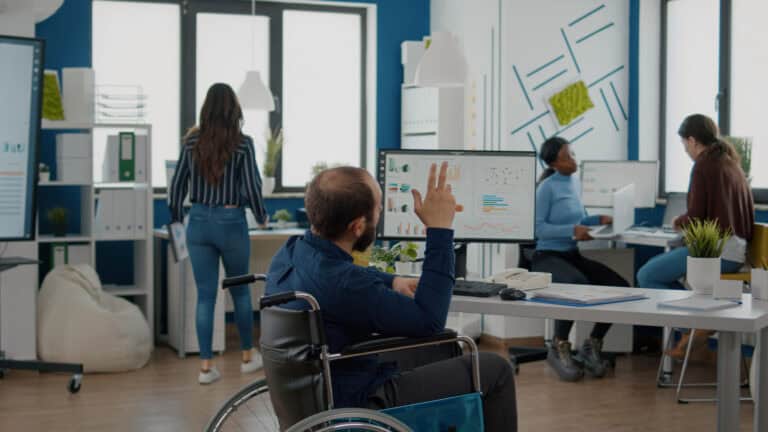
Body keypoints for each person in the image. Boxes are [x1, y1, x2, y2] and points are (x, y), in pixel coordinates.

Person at [265, 163, 517, 431]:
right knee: (495, 369)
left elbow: (341, 274)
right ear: (358, 226)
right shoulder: (347, 284)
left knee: (441, 346)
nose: (381, 212)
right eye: (379, 208)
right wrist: (440, 230)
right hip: (358, 402)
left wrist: (392, 280)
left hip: (319, 388)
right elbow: (430, 320)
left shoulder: (291, 252)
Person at [169, 83, 268, 385]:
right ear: (233, 110)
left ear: (206, 109)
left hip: (198, 221)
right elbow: (252, 186)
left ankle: (205, 368)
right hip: (231, 221)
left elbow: (177, 185)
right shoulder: (243, 144)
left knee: (205, 296)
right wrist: (261, 216)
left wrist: (176, 219)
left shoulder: (191, 142)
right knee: (240, 291)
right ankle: (248, 357)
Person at [636, 114, 754, 356]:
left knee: (647, 275)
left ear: (692, 140)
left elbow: (696, 216)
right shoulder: (730, 162)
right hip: (736, 251)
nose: (685, 150)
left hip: (717, 252)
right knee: (669, 275)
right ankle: (700, 321)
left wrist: (677, 222)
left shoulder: (703, 165)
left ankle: (702, 322)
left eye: (684, 144)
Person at [532, 136, 630, 382]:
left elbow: (579, 219)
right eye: (566, 157)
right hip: (547, 256)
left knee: (620, 286)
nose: (573, 160)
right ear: (553, 163)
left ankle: (592, 344)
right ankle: (559, 346)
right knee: (576, 285)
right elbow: (537, 228)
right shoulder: (546, 188)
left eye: (572, 154)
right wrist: (572, 231)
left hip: (571, 254)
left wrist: (597, 220)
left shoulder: (575, 183)